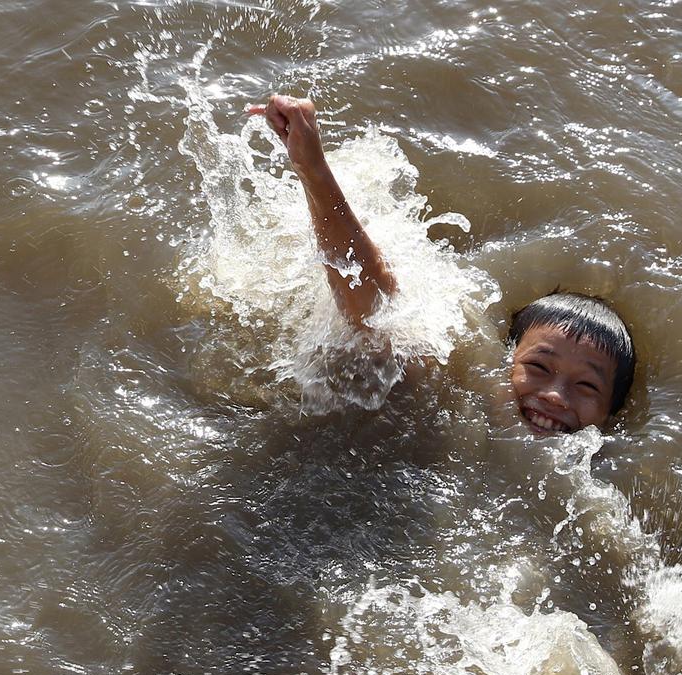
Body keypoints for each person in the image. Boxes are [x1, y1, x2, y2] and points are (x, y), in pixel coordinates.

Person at [250, 95, 635, 436]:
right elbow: (377, 307)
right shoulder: (457, 392)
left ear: (611, 416)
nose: (554, 395)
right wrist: (314, 171)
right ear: (503, 363)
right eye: (537, 366)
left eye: (587, 387)